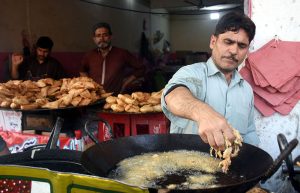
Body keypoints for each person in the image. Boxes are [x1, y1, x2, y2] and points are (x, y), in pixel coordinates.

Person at [161, 11, 259, 150]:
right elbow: (173, 96)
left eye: (242, 46)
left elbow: (249, 133)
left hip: (232, 169)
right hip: (188, 168)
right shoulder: (192, 73)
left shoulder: (246, 90)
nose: (233, 51)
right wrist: (203, 113)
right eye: (228, 42)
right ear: (213, 42)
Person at [80, 22, 145, 94]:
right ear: (94, 39)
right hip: (95, 98)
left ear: (110, 37)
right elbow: (82, 71)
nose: (102, 39)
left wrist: (126, 83)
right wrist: (88, 84)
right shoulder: (89, 55)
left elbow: (141, 68)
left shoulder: (122, 53)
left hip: (115, 96)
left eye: (105, 35)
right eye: (98, 36)